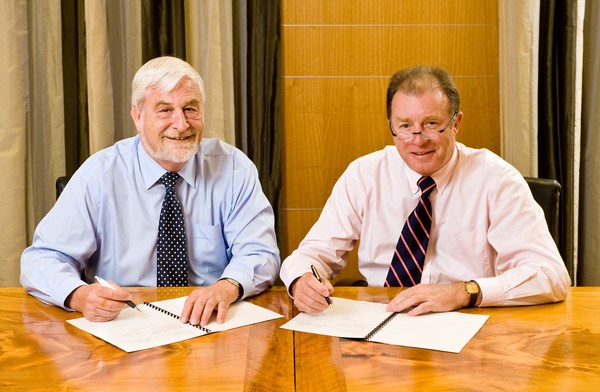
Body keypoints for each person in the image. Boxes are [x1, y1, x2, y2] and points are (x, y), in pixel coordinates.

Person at [280, 65, 571, 315]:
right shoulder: (365, 174)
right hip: (380, 322)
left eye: (431, 124)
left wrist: (463, 292)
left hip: (467, 323)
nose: (417, 140)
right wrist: (301, 280)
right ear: (391, 125)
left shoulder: (497, 180)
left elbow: (551, 276)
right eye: (405, 126)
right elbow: (312, 254)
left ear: (456, 123)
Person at [21, 56, 280, 326]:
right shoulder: (99, 174)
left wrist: (227, 286)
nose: (181, 124)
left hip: (211, 322)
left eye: (190, 109)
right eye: (165, 110)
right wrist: (80, 295)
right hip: (125, 324)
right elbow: (42, 258)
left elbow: (260, 252)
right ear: (138, 116)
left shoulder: (233, 168)